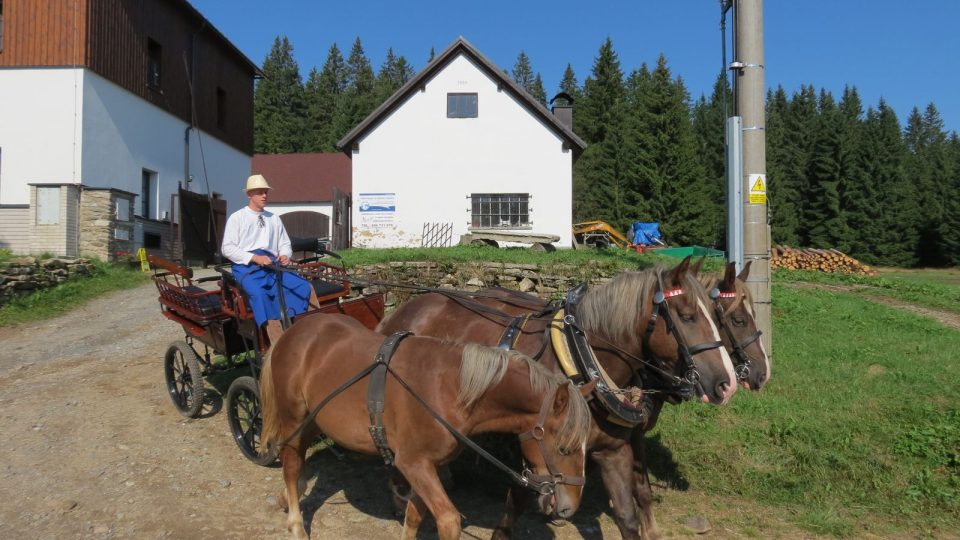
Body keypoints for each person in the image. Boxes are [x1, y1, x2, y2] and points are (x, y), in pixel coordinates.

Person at [221, 174, 317, 344]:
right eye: (259, 192)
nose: (264, 195)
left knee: (304, 286)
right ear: (249, 195)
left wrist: (285, 256)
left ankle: (311, 334)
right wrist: (254, 257)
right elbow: (227, 248)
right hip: (247, 268)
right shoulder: (237, 218)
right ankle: (278, 342)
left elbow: (285, 244)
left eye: (265, 192)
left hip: (273, 265)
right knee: (260, 294)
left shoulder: (274, 218)